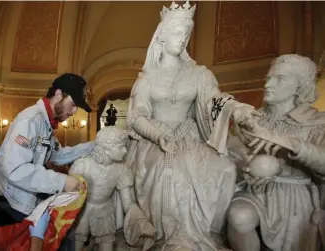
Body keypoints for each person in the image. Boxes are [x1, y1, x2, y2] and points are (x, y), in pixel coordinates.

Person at [124, 1, 261, 250]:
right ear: (162, 35)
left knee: (225, 167)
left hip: (190, 136)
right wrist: (158, 135)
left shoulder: (200, 74)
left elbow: (212, 100)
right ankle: (174, 236)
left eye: (187, 33)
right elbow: (137, 117)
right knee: (172, 170)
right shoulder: (146, 79)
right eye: (177, 31)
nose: (183, 37)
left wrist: (235, 108)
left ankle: (209, 233)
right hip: (154, 139)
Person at [227, 54, 325, 251]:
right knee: (239, 216)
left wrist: (291, 144)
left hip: (296, 195)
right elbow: (229, 153)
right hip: (255, 190)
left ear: (300, 85)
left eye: (280, 78)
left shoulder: (317, 122)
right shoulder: (251, 119)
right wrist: (246, 168)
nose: (268, 84)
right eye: (268, 78)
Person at [0, 73, 95, 249]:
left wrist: (93, 146)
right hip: (9, 200)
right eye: (73, 104)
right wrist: (61, 181)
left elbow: (58, 155)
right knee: (62, 235)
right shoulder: (30, 120)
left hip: (25, 195)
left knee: (66, 231)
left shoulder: (46, 124)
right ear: (59, 95)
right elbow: (15, 170)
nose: (74, 112)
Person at [70, 127, 154, 251]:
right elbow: (68, 197)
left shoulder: (122, 170)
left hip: (105, 212)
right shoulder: (82, 165)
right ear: (107, 149)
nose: (125, 151)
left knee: (107, 243)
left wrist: (141, 221)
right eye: (121, 147)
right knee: (76, 243)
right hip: (81, 211)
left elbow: (128, 203)